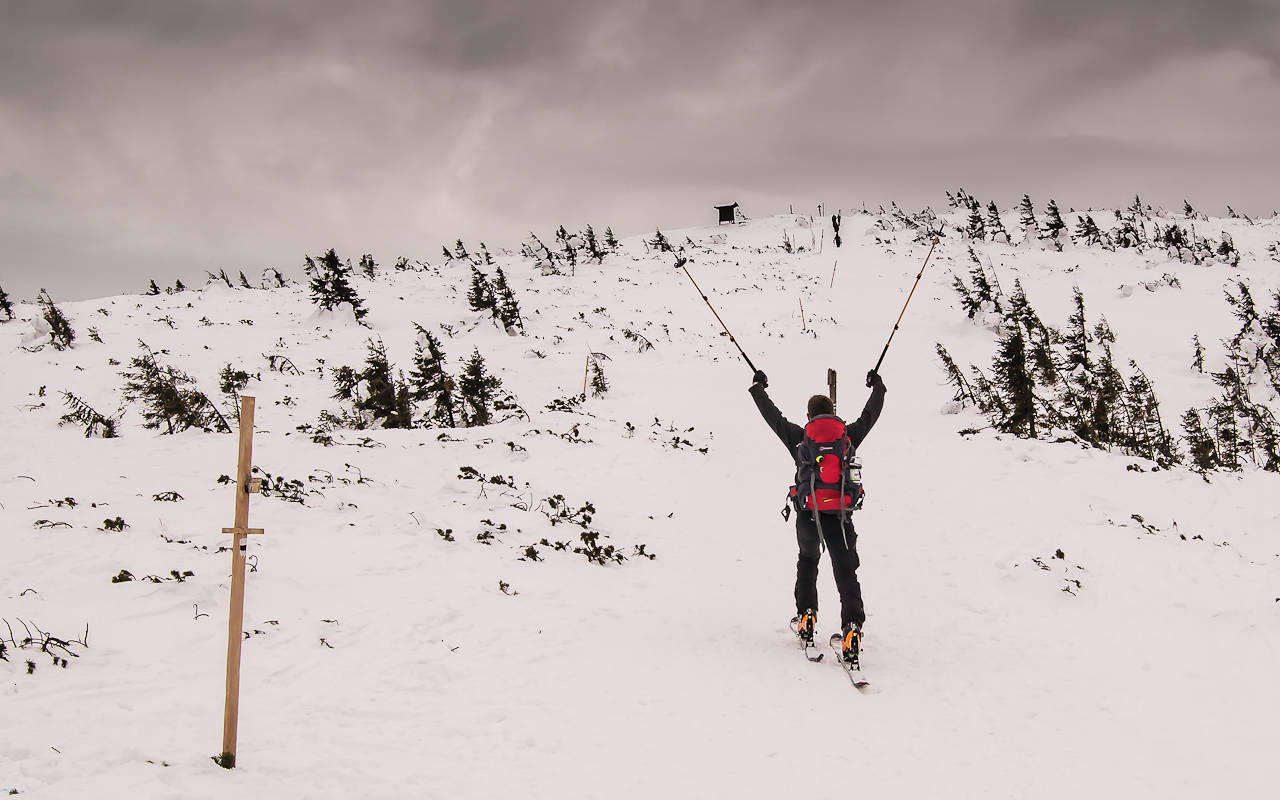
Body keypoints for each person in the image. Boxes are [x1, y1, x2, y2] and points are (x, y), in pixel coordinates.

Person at [749, 368, 886, 664]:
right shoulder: (847, 436)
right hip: (839, 517)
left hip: (808, 515)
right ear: (831, 413)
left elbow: (771, 416)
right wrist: (878, 387)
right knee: (845, 571)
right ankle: (852, 629)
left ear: (809, 416)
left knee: (808, 561)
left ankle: (807, 617)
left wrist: (758, 386)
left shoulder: (800, 439)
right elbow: (870, 416)